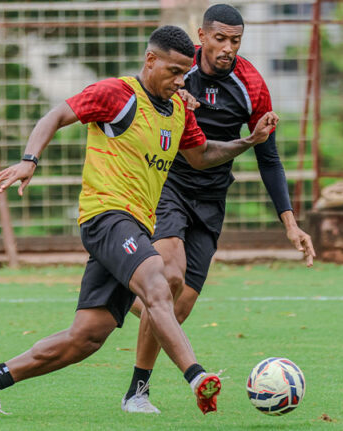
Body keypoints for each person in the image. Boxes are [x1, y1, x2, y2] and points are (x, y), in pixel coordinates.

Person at [0, 25, 279, 419]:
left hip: (136, 226)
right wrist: (30, 160)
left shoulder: (179, 109)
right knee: (158, 282)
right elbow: (56, 114)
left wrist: (248, 142)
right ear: (150, 60)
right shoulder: (118, 94)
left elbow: (200, 155)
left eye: (185, 73)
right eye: (174, 72)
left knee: (86, 337)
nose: (181, 81)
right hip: (106, 216)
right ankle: (196, 377)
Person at [121, 4, 316, 414]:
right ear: (203, 36)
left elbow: (269, 158)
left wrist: (290, 224)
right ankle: (137, 392)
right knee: (169, 276)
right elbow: (142, 99)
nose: (228, 48)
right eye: (220, 39)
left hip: (211, 199)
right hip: (168, 185)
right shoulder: (180, 69)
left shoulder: (252, 85)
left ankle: (125, 297)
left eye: (236, 41)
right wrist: (172, 97)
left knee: (178, 306)